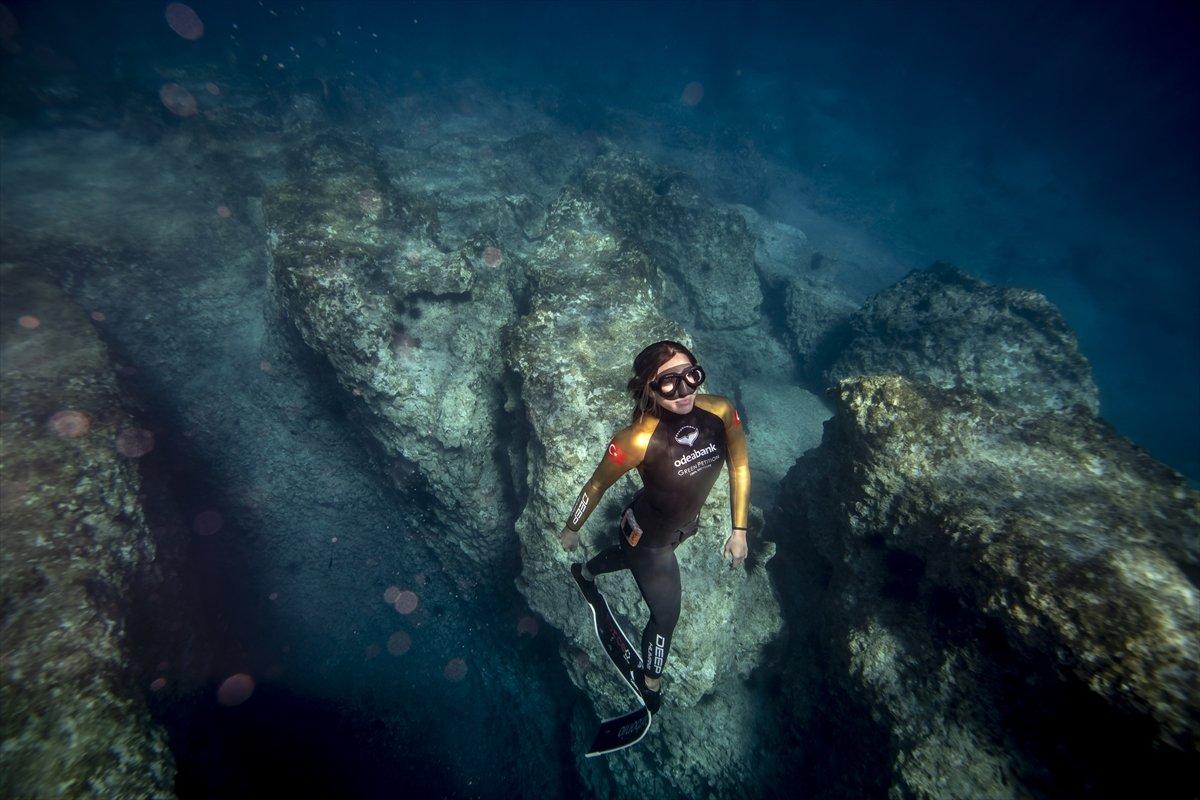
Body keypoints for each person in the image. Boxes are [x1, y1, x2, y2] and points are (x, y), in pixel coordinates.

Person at [562, 340, 750, 713]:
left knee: (627, 558)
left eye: (691, 377)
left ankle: (585, 572)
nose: (684, 393)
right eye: (668, 383)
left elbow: (739, 468)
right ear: (649, 387)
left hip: (682, 527)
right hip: (648, 539)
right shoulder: (635, 440)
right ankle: (650, 680)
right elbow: (597, 485)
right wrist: (573, 527)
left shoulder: (721, 411)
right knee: (666, 616)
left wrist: (740, 530)